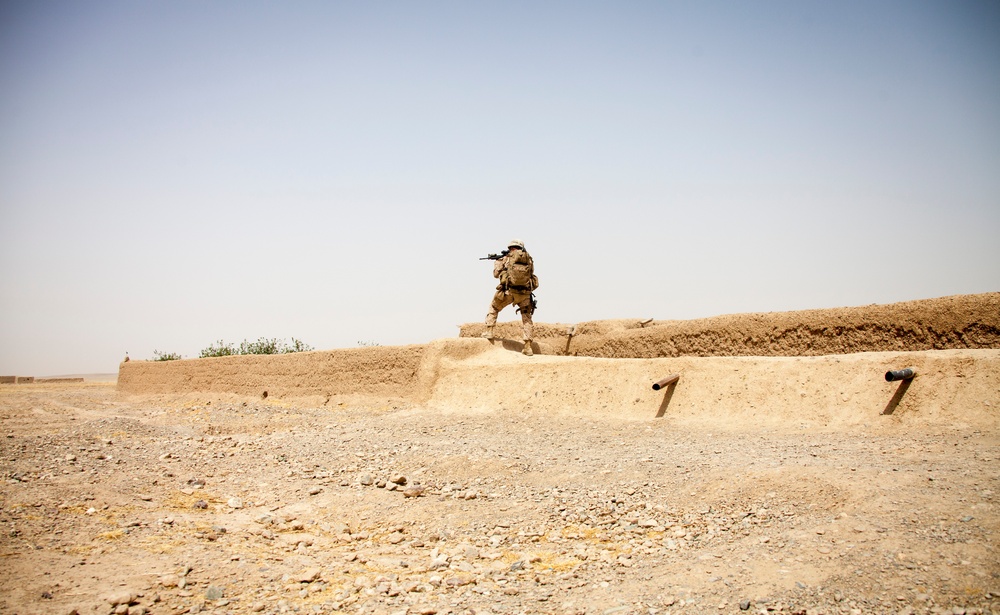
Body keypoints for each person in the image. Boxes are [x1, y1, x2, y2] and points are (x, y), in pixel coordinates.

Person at [482, 239, 538, 356]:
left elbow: (496, 274)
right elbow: (531, 274)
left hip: (508, 292)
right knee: (527, 319)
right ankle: (528, 347)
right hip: (524, 294)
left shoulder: (506, 258)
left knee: (494, 307)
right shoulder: (528, 260)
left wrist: (497, 262)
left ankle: (489, 331)